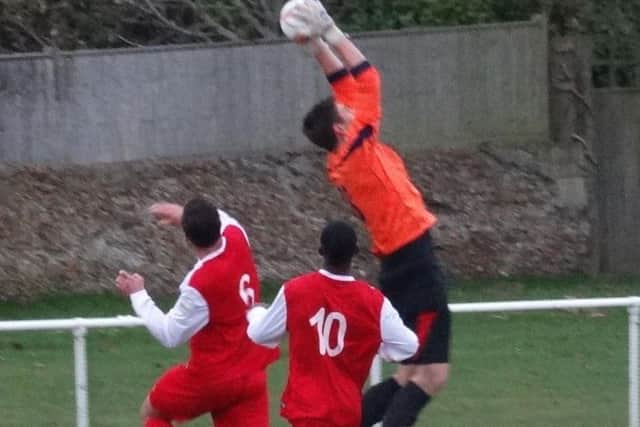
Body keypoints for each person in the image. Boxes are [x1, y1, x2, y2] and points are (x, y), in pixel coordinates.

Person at [282, 2, 452, 426]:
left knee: (410, 373)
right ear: (342, 129)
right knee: (431, 375)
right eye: (345, 114)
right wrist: (332, 31)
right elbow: (368, 79)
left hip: (400, 261)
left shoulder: (343, 150)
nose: (350, 109)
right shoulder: (356, 150)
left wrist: (315, 43)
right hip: (413, 263)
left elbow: (345, 82)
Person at [115, 197, 279, 427]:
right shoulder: (237, 236)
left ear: (188, 240)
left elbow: (170, 334)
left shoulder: (200, 283)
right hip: (251, 372)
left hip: (212, 378)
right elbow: (224, 218)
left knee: (153, 412)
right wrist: (183, 215)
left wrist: (138, 294)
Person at [247, 220, 419, 427]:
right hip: (346, 411)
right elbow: (409, 346)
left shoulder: (295, 290)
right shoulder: (374, 302)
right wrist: (374, 344)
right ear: (355, 253)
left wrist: (255, 311)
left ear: (321, 251)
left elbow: (259, 334)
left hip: (305, 409)